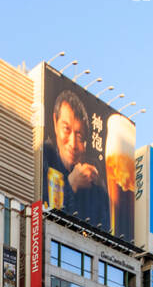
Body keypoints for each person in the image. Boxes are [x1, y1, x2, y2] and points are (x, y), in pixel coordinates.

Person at [43, 87, 109, 232]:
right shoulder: (44, 156)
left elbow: (107, 232)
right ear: (55, 122)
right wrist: (70, 185)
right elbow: (45, 214)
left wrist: (100, 188)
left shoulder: (93, 174)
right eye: (66, 129)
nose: (73, 144)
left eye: (79, 136)